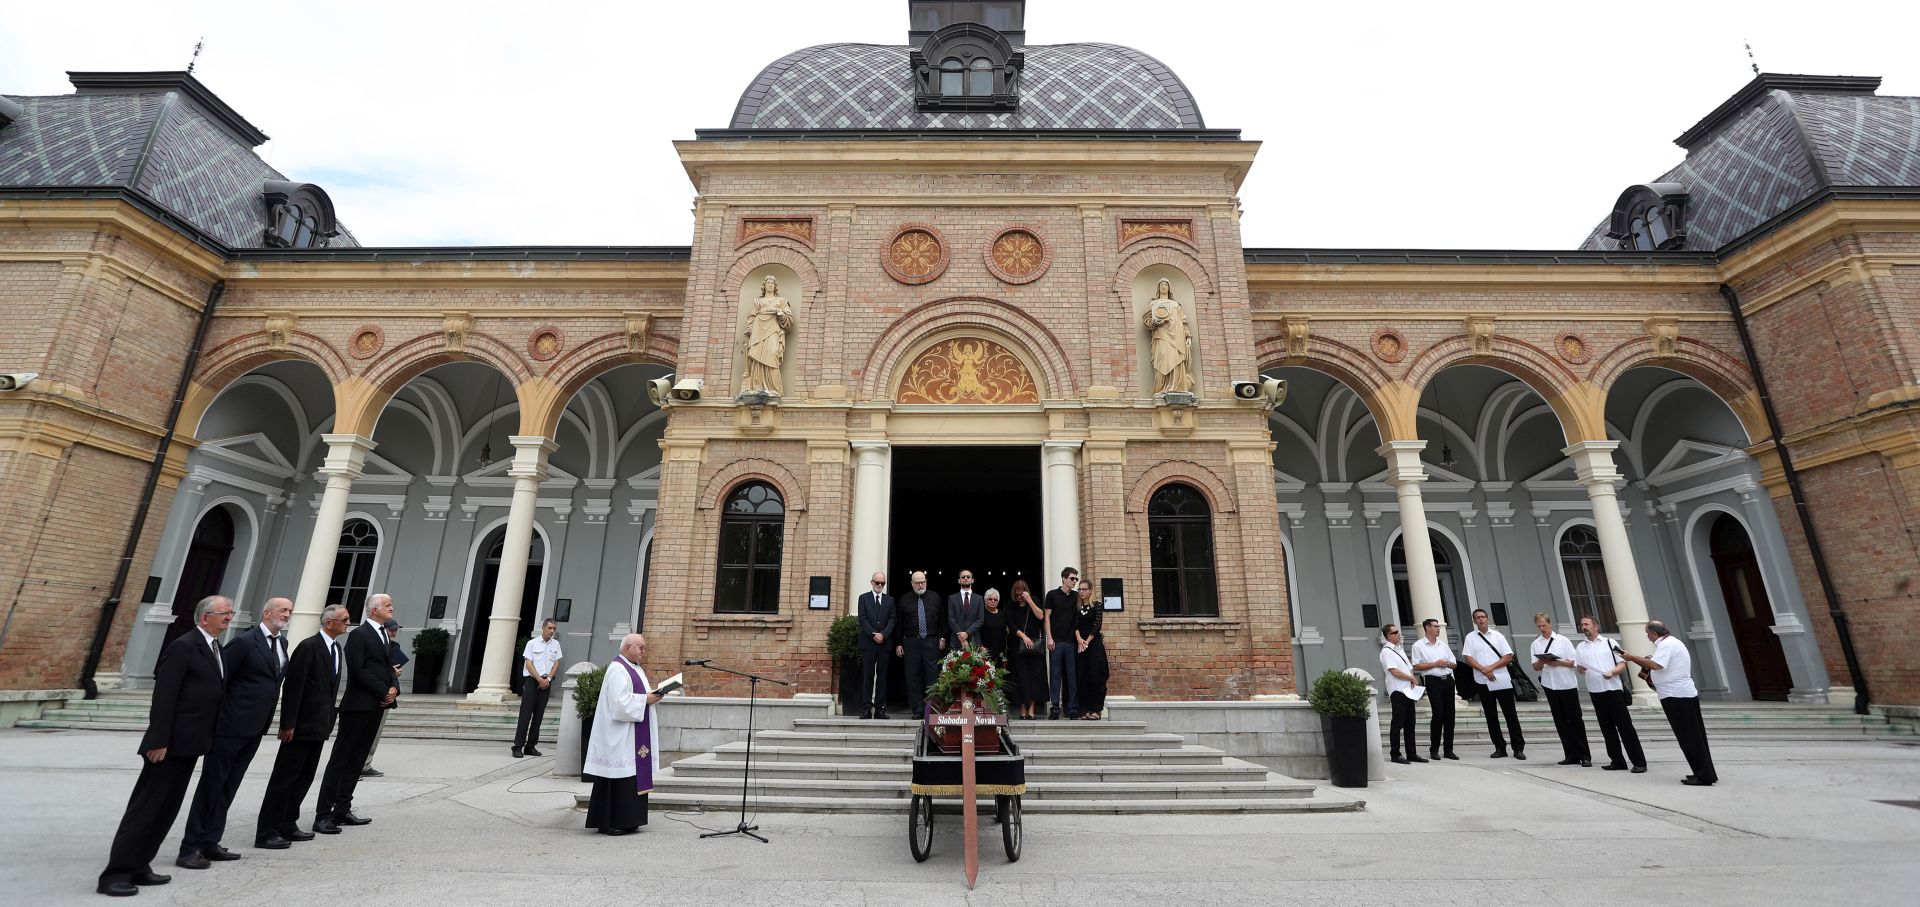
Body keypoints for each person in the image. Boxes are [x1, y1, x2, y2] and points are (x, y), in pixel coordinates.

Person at [97, 596, 232, 897]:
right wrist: (159, 740)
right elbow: (165, 696)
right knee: (146, 809)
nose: (229, 618)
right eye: (224, 613)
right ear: (205, 617)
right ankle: (116, 873)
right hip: (169, 745)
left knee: (166, 809)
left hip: (191, 744)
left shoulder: (214, 647)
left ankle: (140, 864)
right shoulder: (184, 646)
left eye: (230, 613)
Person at [178, 596, 292, 866]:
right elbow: (221, 680)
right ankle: (191, 846)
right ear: (266, 613)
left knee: (229, 786)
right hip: (230, 726)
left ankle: (211, 841)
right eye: (282, 610)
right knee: (212, 786)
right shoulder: (244, 642)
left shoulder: (282, 644)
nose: (287, 615)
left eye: (290, 611)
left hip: (255, 727)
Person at [256, 604, 350, 849]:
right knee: (284, 779)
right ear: (328, 622)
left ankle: (288, 823)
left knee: (304, 777)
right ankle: (268, 829)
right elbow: (294, 686)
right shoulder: (309, 647)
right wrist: (288, 723)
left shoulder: (336, 648)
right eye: (344, 619)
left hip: (319, 725)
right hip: (300, 726)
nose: (347, 623)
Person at [314, 594, 398, 833]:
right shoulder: (359, 635)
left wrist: (394, 688)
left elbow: (389, 668)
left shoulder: (384, 634)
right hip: (358, 706)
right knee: (341, 760)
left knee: (358, 760)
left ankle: (342, 809)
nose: (392, 608)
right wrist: (384, 690)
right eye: (387, 605)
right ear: (374, 610)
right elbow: (359, 670)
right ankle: (323, 814)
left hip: (377, 705)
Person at [1620, 620, 1717, 786]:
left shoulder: (1667, 645)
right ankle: (1704, 772)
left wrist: (1632, 658)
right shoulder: (1671, 643)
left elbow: (1656, 665)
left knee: (1689, 737)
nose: (1648, 637)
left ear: (1654, 633)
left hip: (1676, 696)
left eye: (1648, 634)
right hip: (1680, 694)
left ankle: (1703, 775)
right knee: (1693, 736)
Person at [583, 633, 662, 834]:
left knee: (630, 776)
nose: (644, 651)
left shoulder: (635, 669)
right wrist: (645, 699)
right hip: (619, 735)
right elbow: (619, 704)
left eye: (644, 647)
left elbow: (637, 696)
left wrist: (651, 697)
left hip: (632, 735)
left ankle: (629, 820)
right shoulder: (618, 669)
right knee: (617, 777)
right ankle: (611, 822)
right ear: (627, 648)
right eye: (640, 647)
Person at [1572, 614, 1647, 773]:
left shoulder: (1609, 642)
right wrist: (1581, 669)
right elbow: (1580, 668)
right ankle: (1617, 760)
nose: (1583, 627)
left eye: (1586, 624)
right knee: (1607, 728)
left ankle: (1639, 761)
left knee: (1625, 727)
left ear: (1596, 626)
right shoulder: (1581, 647)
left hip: (1613, 690)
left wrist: (1612, 672)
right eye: (1582, 625)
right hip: (1595, 691)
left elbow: (1622, 664)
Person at [1460, 608, 1525, 760]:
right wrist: (1484, 670)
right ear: (1474, 621)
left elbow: (1508, 656)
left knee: (1511, 715)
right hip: (1482, 681)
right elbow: (1468, 658)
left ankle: (1518, 748)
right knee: (1491, 716)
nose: (1481, 619)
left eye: (1483, 616)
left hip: (1501, 679)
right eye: (1478, 617)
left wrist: (1490, 668)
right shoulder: (1470, 637)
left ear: (1487, 618)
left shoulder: (1498, 636)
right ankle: (1499, 747)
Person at [1530, 612, 1591, 767]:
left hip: (1566, 684)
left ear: (1550, 624)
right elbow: (1535, 667)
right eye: (1539, 626)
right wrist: (1542, 661)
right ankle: (1570, 754)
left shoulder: (1563, 640)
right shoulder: (1536, 643)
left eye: (1544, 625)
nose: (1542, 628)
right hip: (1550, 684)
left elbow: (1574, 662)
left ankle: (1584, 755)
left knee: (1575, 720)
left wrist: (1558, 662)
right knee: (1560, 721)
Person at [894, 571, 947, 718]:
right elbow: (899, 624)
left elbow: (943, 619)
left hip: (931, 641)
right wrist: (898, 643)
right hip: (911, 642)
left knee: (932, 676)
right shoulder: (904, 599)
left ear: (926, 582)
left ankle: (932, 709)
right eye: (917, 583)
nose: (920, 585)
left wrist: (943, 638)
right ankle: (917, 710)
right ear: (912, 584)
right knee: (913, 676)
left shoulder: (935, 597)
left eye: (922, 582)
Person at [360, 616, 407, 777]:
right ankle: (356, 765)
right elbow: (363, 670)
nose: (394, 633)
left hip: (387, 695)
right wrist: (385, 690)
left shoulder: (393, 647)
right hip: (371, 694)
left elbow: (390, 673)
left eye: (396, 630)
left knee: (375, 733)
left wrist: (393, 688)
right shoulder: (368, 643)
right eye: (391, 630)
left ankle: (365, 764)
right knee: (361, 733)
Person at [511, 619, 563, 757]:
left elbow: (556, 663)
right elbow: (529, 664)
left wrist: (548, 679)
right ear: (543, 628)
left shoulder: (556, 644)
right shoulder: (532, 643)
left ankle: (531, 746)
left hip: (546, 682)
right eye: (549, 628)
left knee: (538, 716)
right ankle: (518, 746)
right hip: (532, 681)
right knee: (525, 715)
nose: (552, 631)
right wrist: (539, 679)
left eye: (554, 628)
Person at [1409, 618, 1458, 760]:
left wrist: (1448, 664)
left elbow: (1454, 664)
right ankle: (1434, 749)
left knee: (1450, 715)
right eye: (1435, 626)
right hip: (1433, 681)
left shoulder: (1443, 645)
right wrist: (1435, 664)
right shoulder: (1418, 645)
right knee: (1438, 714)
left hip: (1448, 680)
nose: (1438, 628)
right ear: (1427, 628)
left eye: (1438, 626)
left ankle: (1448, 749)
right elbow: (1416, 666)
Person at [1379, 624, 1428, 765]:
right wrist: (1411, 678)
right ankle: (1395, 753)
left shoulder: (1399, 649)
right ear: (1388, 636)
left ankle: (1411, 753)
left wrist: (1412, 678)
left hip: (1408, 690)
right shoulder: (1387, 651)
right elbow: (1394, 671)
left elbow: (1408, 667)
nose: (1398, 634)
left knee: (1410, 723)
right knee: (1398, 722)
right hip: (1398, 691)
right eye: (1395, 632)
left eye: (1398, 631)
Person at [741, 274, 793, 397]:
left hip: (773, 330)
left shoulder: (781, 301)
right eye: (768, 283)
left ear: (775, 286)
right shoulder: (758, 301)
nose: (770, 285)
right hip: (758, 329)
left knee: (772, 354)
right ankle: (757, 386)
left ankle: (773, 388)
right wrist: (750, 328)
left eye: (772, 283)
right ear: (764, 286)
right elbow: (752, 316)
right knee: (757, 356)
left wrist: (781, 315)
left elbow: (789, 319)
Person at [856, 571, 894, 719]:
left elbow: (892, 619)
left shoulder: (890, 600)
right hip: (868, 643)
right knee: (868, 676)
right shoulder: (863, 598)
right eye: (877, 582)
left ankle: (880, 709)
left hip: (884, 643)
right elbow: (862, 619)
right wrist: (874, 634)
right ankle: (866, 708)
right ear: (871, 582)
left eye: (882, 583)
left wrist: (883, 634)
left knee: (882, 677)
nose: (879, 585)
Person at [1009, 580, 1048, 720]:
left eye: (1022, 594)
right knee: (1021, 678)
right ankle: (1022, 709)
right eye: (1017, 594)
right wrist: (1024, 637)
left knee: (1035, 677)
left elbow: (1041, 616)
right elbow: (1011, 624)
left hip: (1035, 646)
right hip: (1018, 645)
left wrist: (1029, 601)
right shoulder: (1011, 605)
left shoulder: (1034, 600)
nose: (1020, 596)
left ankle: (1031, 709)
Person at [1044, 567, 1079, 720]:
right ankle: (1055, 708)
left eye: (1076, 579)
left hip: (1072, 642)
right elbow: (1047, 617)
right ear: (1064, 579)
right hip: (1056, 642)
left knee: (1072, 677)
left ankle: (1072, 709)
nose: (1074, 581)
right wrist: (1049, 638)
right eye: (1072, 578)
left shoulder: (1077, 596)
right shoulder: (1052, 595)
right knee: (1055, 676)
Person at [1074, 578, 1109, 720]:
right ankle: (1086, 709)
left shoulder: (1097, 606)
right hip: (1081, 645)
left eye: (1084, 589)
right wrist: (1079, 640)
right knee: (1084, 677)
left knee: (1097, 676)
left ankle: (1097, 709)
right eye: (1079, 589)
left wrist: (1087, 641)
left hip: (1094, 645)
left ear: (1090, 591)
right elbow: (1075, 625)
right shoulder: (1077, 607)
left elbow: (1097, 625)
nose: (1081, 592)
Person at [947, 569, 984, 652]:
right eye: (963, 577)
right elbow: (951, 619)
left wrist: (967, 633)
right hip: (956, 641)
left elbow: (980, 620)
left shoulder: (979, 598)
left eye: (968, 577)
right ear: (959, 580)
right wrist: (962, 638)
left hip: (974, 641)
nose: (966, 578)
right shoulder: (952, 598)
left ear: (972, 580)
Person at [979, 587, 1010, 662]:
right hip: (985, 653)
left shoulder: (1002, 614)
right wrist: (980, 646)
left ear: (998, 601)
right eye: (990, 599)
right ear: (985, 600)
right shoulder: (980, 614)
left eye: (995, 599)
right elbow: (976, 632)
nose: (993, 601)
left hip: (1001, 654)